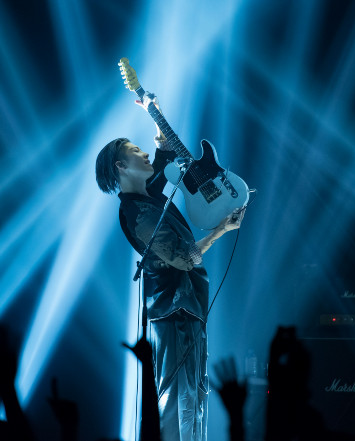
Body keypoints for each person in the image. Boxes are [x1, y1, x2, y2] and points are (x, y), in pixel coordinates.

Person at [95, 92, 244, 441]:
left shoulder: (149, 193)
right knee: (181, 400)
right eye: (136, 151)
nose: (145, 153)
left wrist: (155, 112)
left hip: (187, 308)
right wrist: (221, 229)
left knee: (196, 395)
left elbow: (165, 155)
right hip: (174, 312)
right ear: (121, 166)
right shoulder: (138, 212)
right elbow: (186, 258)